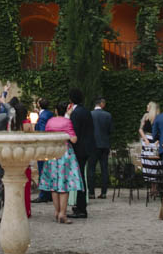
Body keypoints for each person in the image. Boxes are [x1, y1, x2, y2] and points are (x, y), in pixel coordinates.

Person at [39, 102, 84, 224]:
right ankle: (63, 214)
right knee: (65, 184)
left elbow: (45, 138)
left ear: (55, 110)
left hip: (52, 153)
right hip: (65, 154)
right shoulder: (67, 122)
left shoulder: (50, 121)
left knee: (54, 184)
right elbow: (74, 140)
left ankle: (56, 211)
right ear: (66, 111)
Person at [68, 88, 94, 219]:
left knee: (79, 179)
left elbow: (74, 133)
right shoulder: (86, 111)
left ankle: (81, 208)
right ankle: (80, 206)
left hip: (79, 150)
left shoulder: (75, 113)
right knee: (81, 177)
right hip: (87, 148)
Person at [9, 103, 34, 217]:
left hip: (14, 155)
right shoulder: (27, 124)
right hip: (25, 155)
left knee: (14, 184)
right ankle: (26, 210)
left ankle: (14, 209)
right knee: (26, 184)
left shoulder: (11, 124)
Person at [88, 97, 112, 199]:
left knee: (91, 169)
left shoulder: (90, 114)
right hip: (105, 145)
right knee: (104, 169)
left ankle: (91, 192)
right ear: (102, 104)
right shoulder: (108, 115)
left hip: (93, 145)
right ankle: (104, 192)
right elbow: (110, 130)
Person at [139, 102, 163, 192]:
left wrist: (158, 140)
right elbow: (140, 129)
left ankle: (156, 187)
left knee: (156, 163)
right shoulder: (146, 116)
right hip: (147, 140)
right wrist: (145, 139)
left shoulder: (159, 117)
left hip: (156, 141)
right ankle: (152, 187)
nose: (146, 107)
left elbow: (162, 130)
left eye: (148, 106)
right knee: (148, 163)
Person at [34, 98, 54, 203]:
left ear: (39, 105)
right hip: (50, 146)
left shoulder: (42, 117)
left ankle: (43, 194)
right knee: (49, 170)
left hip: (43, 147)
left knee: (42, 170)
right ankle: (50, 193)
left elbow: (42, 132)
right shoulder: (50, 114)